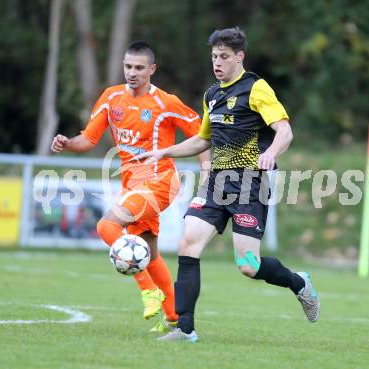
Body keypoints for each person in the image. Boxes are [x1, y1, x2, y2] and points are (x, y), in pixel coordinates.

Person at [133, 27, 320, 342]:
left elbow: (284, 130)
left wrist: (271, 153)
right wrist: (165, 151)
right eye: (214, 57)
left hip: (250, 185)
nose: (217, 62)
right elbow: (203, 139)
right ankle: (185, 329)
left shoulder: (256, 89)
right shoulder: (212, 94)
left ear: (239, 57)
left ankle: (298, 283)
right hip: (216, 184)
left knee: (248, 265)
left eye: (223, 57)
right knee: (187, 243)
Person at [51, 41, 210, 332]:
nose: (132, 72)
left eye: (139, 67)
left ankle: (148, 291)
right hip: (132, 183)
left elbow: (201, 132)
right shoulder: (111, 98)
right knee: (149, 252)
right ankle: (175, 317)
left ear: (152, 69)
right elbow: (88, 139)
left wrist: (207, 170)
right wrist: (68, 143)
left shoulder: (166, 103)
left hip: (160, 181)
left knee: (105, 227)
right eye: (128, 66)